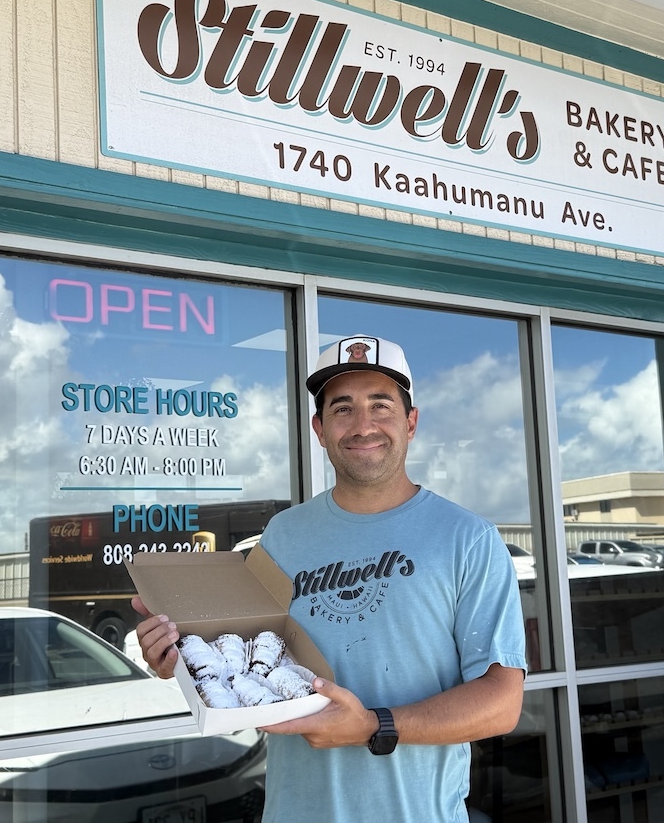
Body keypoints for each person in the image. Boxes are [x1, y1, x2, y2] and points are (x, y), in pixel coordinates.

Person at [134, 334, 527, 822]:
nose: (363, 425)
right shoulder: (283, 535)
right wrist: (180, 658)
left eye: (381, 406)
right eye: (342, 409)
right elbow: (250, 654)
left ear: (411, 422)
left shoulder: (467, 538)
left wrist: (371, 725)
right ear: (320, 429)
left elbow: (500, 704)